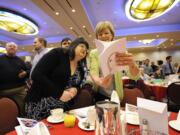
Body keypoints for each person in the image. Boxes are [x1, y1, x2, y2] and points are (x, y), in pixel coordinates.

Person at [25, 37, 93, 120]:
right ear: (73, 45)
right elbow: (36, 74)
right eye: (82, 46)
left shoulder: (80, 67)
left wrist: (76, 89)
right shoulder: (58, 53)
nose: (84, 49)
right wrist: (59, 93)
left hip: (62, 109)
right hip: (40, 103)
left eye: (86, 49)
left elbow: (79, 85)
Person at [89, 21, 139, 102]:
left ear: (112, 35)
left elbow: (134, 76)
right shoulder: (94, 53)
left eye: (106, 33)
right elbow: (93, 71)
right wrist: (99, 81)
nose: (103, 36)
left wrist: (132, 64)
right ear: (97, 37)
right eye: (100, 34)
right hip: (100, 94)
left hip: (116, 94)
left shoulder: (120, 51)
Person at [0, 42, 30, 116]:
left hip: (19, 90)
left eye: (14, 46)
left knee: (24, 110)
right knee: (5, 112)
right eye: (10, 46)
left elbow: (29, 71)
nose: (12, 47)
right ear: (6, 48)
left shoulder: (20, 60)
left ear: (16, 49)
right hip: (3, 91)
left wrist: (25, 73)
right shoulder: (0, 59)